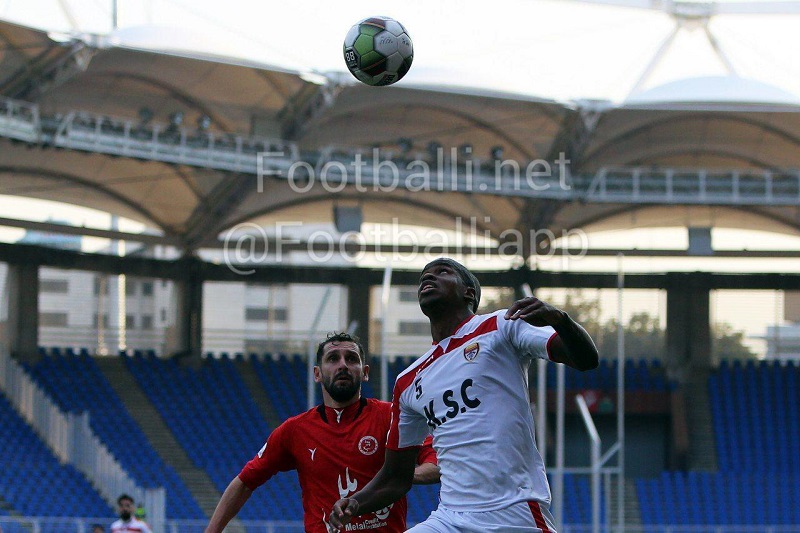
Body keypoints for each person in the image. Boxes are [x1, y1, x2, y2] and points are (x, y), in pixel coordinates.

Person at [330, 258, 599, 533]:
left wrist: (560, 320)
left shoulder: (500, 326)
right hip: (450, 518)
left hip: (513, 512)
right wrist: (355, 502)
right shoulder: (408, 381)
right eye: (424, 276)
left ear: (468, 292)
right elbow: (396, 477)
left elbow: (586, 359)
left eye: (442, 272)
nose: (428, 279)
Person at [205, 332, 439, 533]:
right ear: (317, 373)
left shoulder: (392, 417)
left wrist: (396, 476)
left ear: (365, 372)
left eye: (351, 359)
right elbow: (245, 482)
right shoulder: (295, 430)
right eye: (333, 359)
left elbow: (436, 464)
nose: (343, 365)